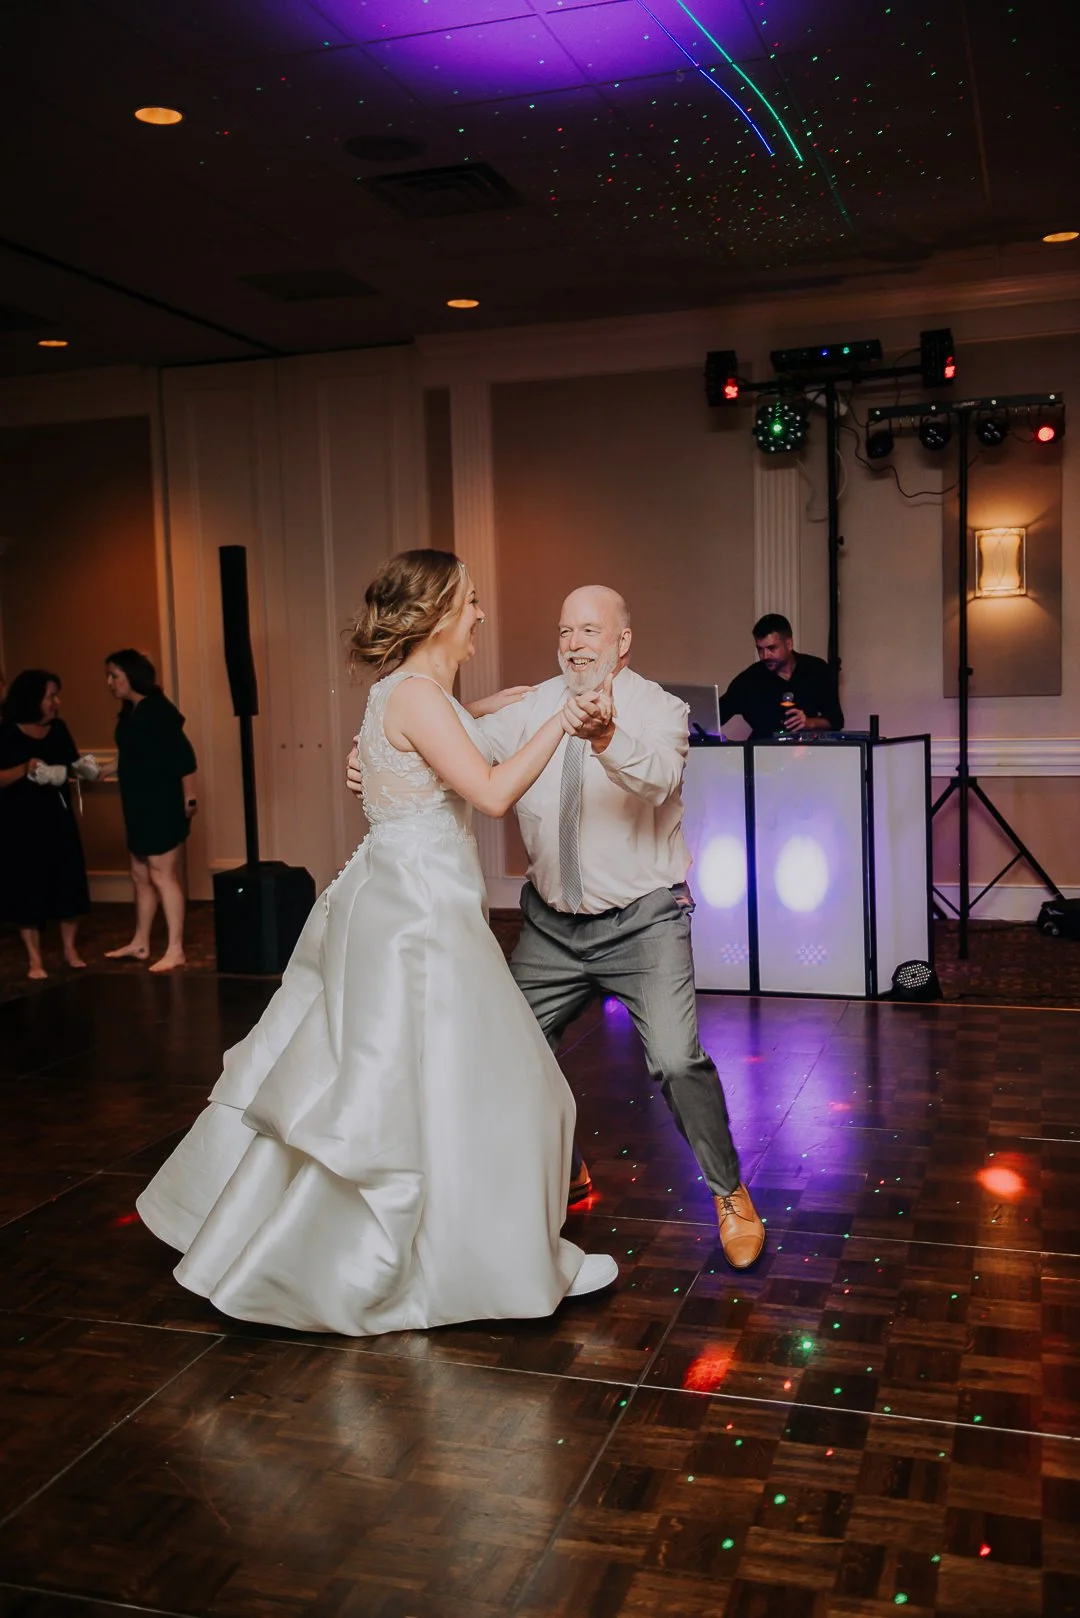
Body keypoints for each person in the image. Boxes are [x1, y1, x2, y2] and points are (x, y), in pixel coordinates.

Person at [136, 550, 617, 1335]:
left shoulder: (409, 693)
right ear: (434, 614)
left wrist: (510, 703)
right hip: (415, 919)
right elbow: (491, 794)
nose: (479, 615)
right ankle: (465, 1267)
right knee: (473, 1091)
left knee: (430, 1093)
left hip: (400, 900)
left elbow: (444, 736)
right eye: (469, 602)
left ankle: (453, 1254)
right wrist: (563, 720)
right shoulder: (420, 697)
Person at [348, 585, 765, 1270]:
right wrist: (375, 757)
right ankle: (568, 1171)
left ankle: (731, 1194)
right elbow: (443, 750)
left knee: (674, 1059)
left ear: (621, 643)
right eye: (565, 630)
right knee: (512, 1051)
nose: (575, 643)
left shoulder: (661, 709)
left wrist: (605, 735)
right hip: (550, 929)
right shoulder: (529, 707)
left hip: (644, 924)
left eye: (591, 630)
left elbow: (659, 778)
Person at [103, 650, 198, 973]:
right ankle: (141, 941)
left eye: (115, 675)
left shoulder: (158, 711)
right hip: (137, 804)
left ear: (132, 675)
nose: (110, 682)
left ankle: (176, 949)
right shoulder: (129, 713)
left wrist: (189, 798)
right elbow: (130, 755)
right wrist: (100, 770)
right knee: (140, 874)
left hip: (161, 803)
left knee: (162, 874)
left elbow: (184, 757)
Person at [0, 669, 91, 979]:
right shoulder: (7, 733)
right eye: (51, 696)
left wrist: (75, 770)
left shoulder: (59, 729)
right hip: (20, 822)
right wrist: (25, 768)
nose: (57, 702)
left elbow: (73, 765)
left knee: (68, 881)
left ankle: (69, 949)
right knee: (27, 887)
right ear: (33, 699)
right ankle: (34, 959)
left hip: (57, 816)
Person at [719, 613, 844, 741]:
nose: (765, 655)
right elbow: (717, 715)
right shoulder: (749, 680)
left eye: (771, 648)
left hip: (808, 754)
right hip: (762, 754)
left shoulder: (816, 669)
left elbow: (836, 721)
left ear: (789, 644)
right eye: (760, 649)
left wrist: (808, 722)